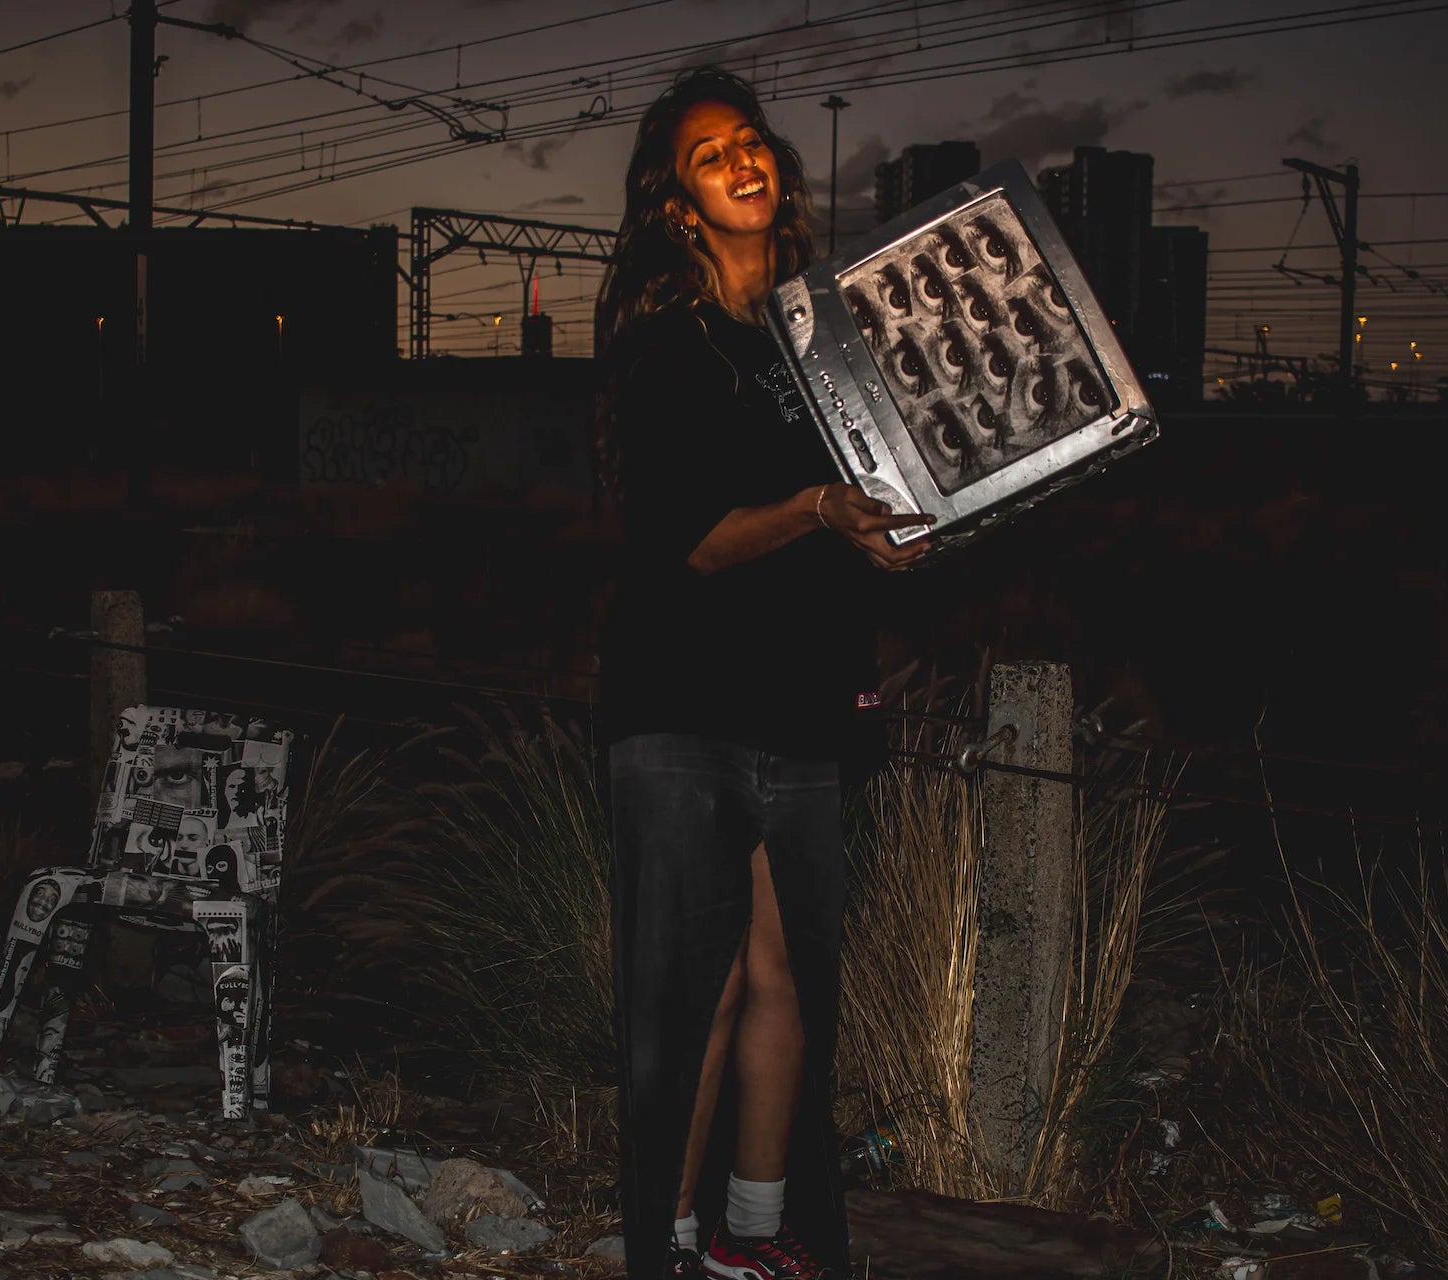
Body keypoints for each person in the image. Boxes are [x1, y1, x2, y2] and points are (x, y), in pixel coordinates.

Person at [595, 67, 930, 1280]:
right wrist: (812, 507)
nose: (741, 160)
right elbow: (695, 536)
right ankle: (671, 1243)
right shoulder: (661, 345)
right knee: (698, 989)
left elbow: (860, 521)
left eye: (749, 142)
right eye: (705, 155)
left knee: (787, 974)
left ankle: (754, 1229)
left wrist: (890, 537)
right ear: (675, 204)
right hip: (682, 708)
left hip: (802, 705)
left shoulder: (826, 340)